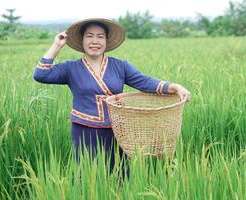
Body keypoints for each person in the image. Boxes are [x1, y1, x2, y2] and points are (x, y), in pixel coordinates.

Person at [33, 18, 191, 178]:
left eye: (100, 36)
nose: (95, 41)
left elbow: (145, 82)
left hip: (118, 131)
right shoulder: (70, 68)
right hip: (85, 130)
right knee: (87, 176)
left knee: (121, 175)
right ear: (82, 40)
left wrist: (175, 86)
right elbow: (41, 75)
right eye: (89, 36)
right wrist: (57, 46)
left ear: (106, 41)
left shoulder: (120, 66)